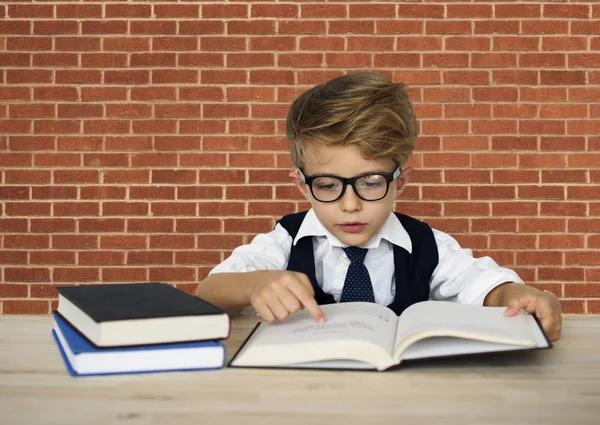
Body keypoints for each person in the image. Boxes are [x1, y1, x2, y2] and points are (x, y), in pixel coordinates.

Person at [195, 72, 562, 341]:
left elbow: (482, 285)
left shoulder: (426, 244)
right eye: (327, 185)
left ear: (400, 182)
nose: (350, 205)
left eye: (371, 183)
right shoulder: (284, 241)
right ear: (303, 186)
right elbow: (208, 293)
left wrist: (517, 296)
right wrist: (253, 285)